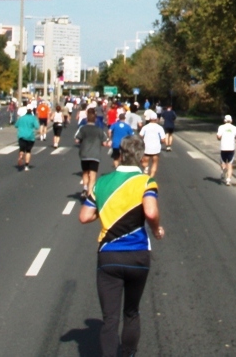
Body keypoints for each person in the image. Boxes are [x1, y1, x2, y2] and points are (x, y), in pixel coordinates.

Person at [79, 135, 164, 357]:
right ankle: (128, 354)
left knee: (110, 318)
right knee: (131, 312)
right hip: (137, 255)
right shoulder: (146, 182)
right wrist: (156, 229)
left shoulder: (102, 182)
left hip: (108, 257)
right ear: (143, 158)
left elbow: (84, 216)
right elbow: (151, 211)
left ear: (120, 155)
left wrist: (105, 210)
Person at [75, 107, 107, 199]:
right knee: (92, 175)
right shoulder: (99, 130)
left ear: (87, 119)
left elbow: (77, 140)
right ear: (95, 119)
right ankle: (90, 193)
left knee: (85, 172)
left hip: (84, 154)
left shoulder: (83, 129)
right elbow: (105, 142)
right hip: (95, 155)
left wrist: (82, 140)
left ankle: (84, 188)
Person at [216, 114, 236, 186]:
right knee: (230, 164)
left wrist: (219, 138)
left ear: (224, 120)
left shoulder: (221, 127)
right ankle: (228, 180)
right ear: (231, 120)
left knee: (222, 162)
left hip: (223, 148)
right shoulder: (235, 128)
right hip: (231, 148)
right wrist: (235, 138)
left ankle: (224, 169)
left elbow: (218, 136)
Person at [15, 106, 39, 171]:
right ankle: (26, 165)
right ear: (31, 112)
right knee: (28, 151)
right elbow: (37, 127)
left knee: (22, 149)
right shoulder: (33, 118)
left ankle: (20, 156)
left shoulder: (21, 118)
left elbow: (16, 125)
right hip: (30, 137)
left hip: (21, 136)